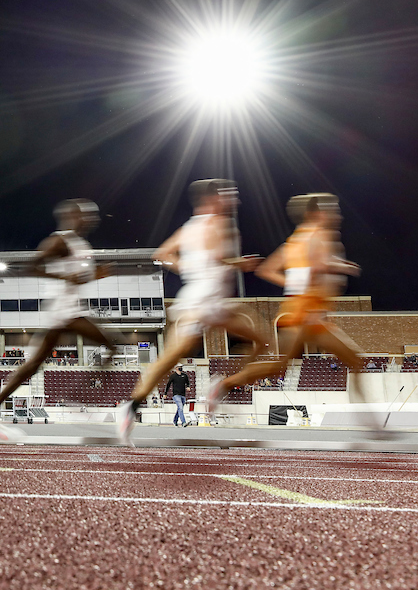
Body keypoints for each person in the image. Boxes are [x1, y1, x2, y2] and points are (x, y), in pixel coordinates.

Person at [118, 179, 266, 445]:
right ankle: (131, 406)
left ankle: (222, 386)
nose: (235, 200)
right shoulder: (218, 223)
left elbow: (164, 253)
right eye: (228, 195)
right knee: (170, 357)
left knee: (259, 339)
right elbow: (184, 255)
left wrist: (192, 265)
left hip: (211, 301)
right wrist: (233, 264)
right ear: (212, 198)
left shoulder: (191, 227)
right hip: (201, 301)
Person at [208, 194, 367, 414]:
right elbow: (317, 268)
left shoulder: (295, 241)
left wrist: (302, 286)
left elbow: (267, 269)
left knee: (279, 366)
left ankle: (224, 385)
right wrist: (339, 268)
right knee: (354, 362)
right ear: (316, 213)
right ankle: (368, 420)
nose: (336, 214)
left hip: (302, 311)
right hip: (306, 314)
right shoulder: (319, 236)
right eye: (331, 209)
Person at [0, 199, 118, 433]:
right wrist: (66, 279)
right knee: (110, 344)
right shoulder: (59, 241)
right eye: (85, 215)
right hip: (61, 311)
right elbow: (32, 267)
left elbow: (77, 276)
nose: (90, 219)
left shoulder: (80, 244)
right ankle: (82, 396)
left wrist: (95, 276)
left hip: (72, 309)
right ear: (72, 217)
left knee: (34, 365)